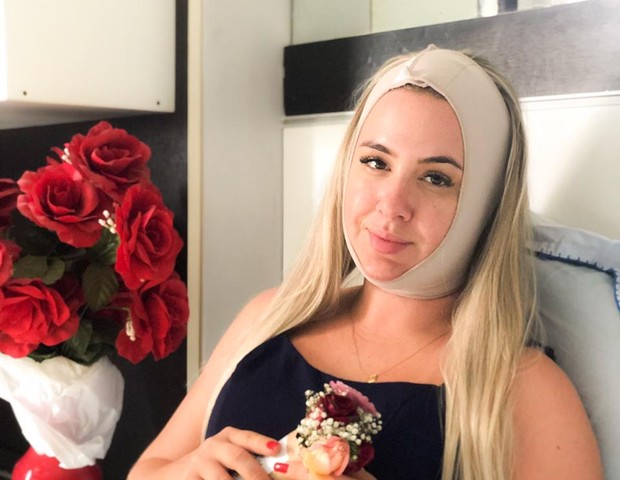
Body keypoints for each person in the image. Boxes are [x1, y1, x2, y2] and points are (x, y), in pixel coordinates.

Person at [128, 45, 603, 480]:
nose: (391, 204)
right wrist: (186, 472)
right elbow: (146, 472)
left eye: (436, 178)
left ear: (486, 205)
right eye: (376, 162)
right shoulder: (266, 318)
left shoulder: (526, 390)